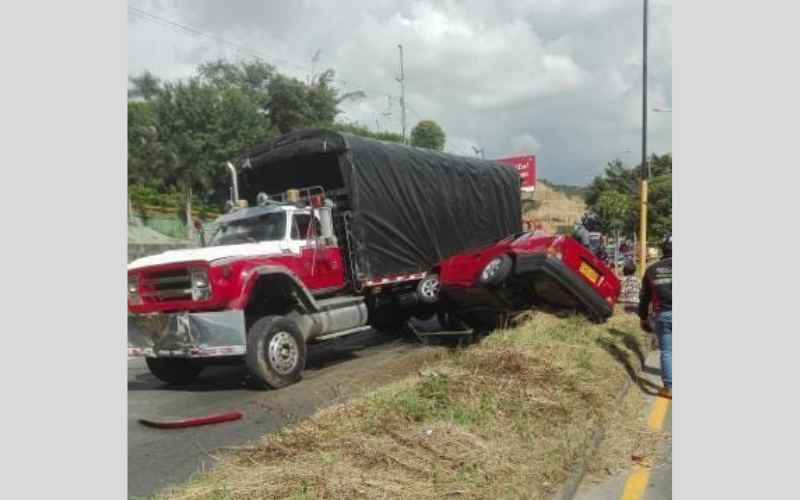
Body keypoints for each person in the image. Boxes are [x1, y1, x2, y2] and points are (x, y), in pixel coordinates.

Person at [639, 233, 672, 399]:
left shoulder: (652, 270)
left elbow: (644, 297)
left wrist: (643, 317)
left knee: (667, 352)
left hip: (664, 315)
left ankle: (670, 389)